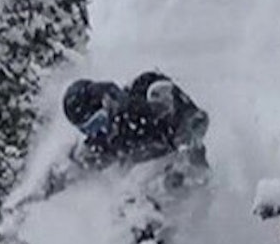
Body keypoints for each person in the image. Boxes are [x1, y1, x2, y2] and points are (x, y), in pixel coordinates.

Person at [62, 71, 209, 171]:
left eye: (98, 122)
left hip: (180, 167)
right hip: (147, 185)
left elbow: (195, 118)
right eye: (88, 130)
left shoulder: (142, 92)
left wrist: (185, 141)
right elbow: (79, 165)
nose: (99, 131)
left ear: (106, 102)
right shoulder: (104, 141)